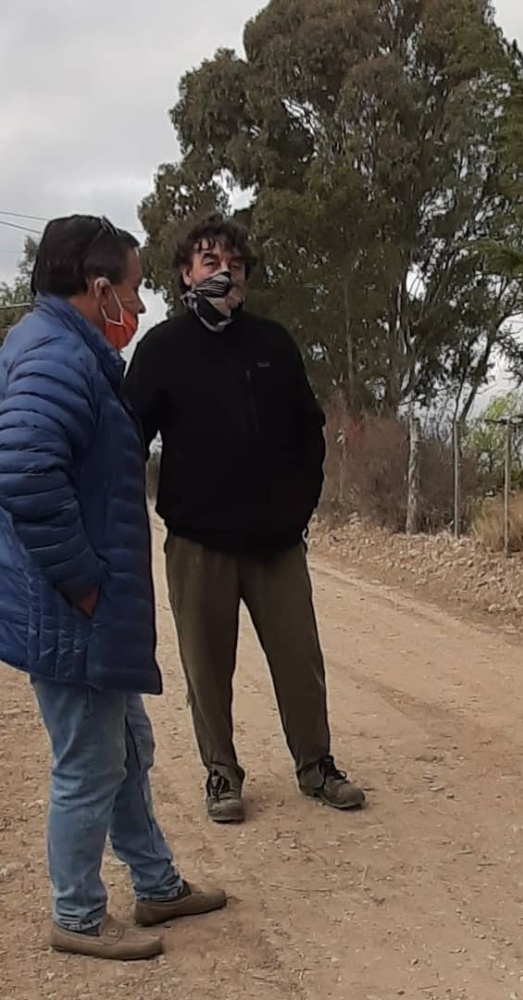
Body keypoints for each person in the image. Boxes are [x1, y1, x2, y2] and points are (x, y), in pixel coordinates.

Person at [0, 215, 226, 961]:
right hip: (73, 613)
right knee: (89, 763)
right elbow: (27, 476)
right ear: (99, 290)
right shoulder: (53, 358)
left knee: (126, 747)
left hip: (85, 611)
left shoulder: (68, 352)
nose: (138, 305)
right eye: (131, 289)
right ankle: (76, 914)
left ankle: (157, 886)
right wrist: (87, 588)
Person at [124, 214, 365, 824]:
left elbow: (309, 433)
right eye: (209, 261)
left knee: (300, 662)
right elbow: (128, 438)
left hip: (276, 544)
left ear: (245, 278)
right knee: (207, 668)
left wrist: (298, 508)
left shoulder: (273, 343)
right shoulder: (161, 348)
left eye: (233, 263)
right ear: (185, 273)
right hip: (198, 543)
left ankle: (317, 767)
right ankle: (221, 774)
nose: (223, 271)